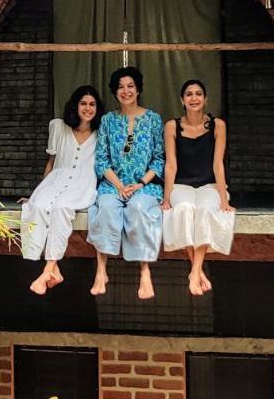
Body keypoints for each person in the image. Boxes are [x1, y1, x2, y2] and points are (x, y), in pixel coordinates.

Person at [87, 66, 164, 300]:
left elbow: (159, 159)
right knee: (107, 208)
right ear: (115, 92)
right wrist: (119, 185)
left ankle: (145, 270)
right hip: (113, 185)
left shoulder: (152, 119)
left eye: (130, 86)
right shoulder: (108, 121)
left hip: (144, 186)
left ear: (138, 89)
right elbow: (101, 160)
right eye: (120, 87)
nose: (126, 91)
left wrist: (140, 183)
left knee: (138, 209)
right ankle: (101, 271)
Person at [20, 85, 103, 294]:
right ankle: (52, 270)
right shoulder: (59, 126)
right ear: (75, 106)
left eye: (92, 104)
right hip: (57, 178)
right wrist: (37, 192)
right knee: (37, 205)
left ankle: (48, 269)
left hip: (83, 183)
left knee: (61, 208)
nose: (87, 108)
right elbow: (51, 162)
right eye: (83, 103)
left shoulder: (102, 133)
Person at [162, 79, 235, 296]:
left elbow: (218, 164)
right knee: (184, 209)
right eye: (189, 94)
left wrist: (224, 199)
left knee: (205, 210)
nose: (194, 98)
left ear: (205, 99)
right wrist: (167, 197)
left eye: (198, 94)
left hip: (209, 185)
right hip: (181, 185)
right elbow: (171, 164)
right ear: (182, 100)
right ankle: (197, 271)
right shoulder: (172, 126)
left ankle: (194, 271)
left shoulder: (218, 125)